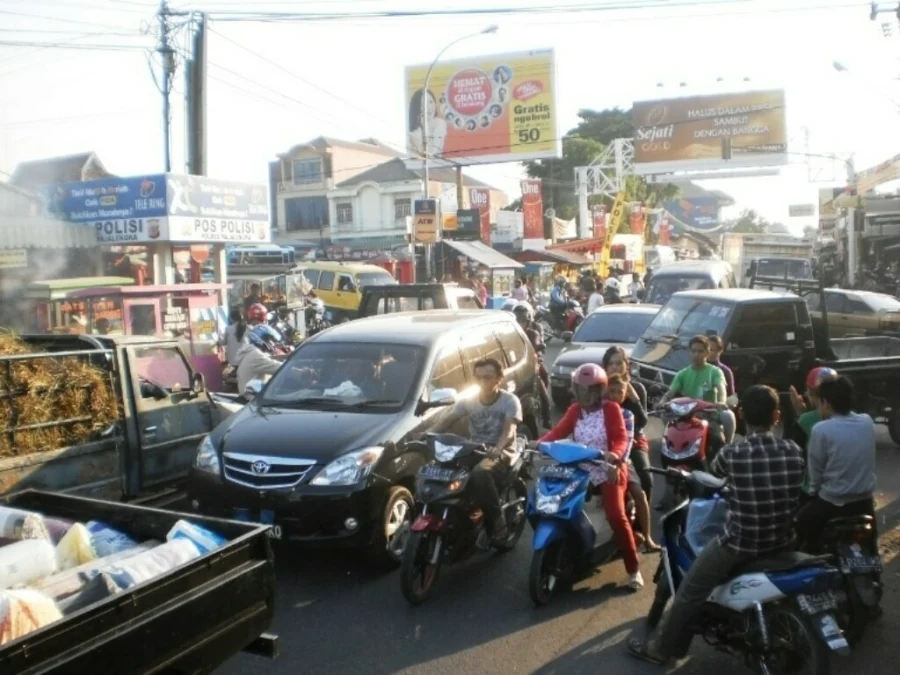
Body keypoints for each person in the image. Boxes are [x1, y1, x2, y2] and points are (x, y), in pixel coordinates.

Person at [628, 385, 805, 665]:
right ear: (776, 416)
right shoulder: (793, 450)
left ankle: (660, 650)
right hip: (784, 539)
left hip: (740, 543)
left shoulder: (733, 454)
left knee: (689, 591)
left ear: (743, 414)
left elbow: (714, 480)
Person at [540, 364, 643, 590]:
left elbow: (620, 438)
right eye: (581, 389)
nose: (585, 395)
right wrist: (538, 443)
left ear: (601, 390)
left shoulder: (611, 409)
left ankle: (633, 569)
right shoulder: (575, 409)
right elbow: (558, 432)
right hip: (580, 467)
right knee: (556, 504)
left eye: (591, 390)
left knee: (616, 515)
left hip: (608, 468)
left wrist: (615, 458)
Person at [434, 357, 523, 544]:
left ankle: (497, 518)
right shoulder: (469, 400)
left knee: (480, 473)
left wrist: (498, 448)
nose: (483, 382)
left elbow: (509, 430)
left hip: (502, 451)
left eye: (488, 377)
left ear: (499, 379)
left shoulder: (509, 401)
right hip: (474, 448)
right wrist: (427, 435)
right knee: (442, 470)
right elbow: (448, 420)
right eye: (479, 378)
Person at [794, 375, 877, 553]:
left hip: (832, 503)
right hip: (864, 501)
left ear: (826, 403)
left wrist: (812, 492)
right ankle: (875, 577)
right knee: (870, 544)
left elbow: (815, 472)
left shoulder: (821, 429)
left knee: (799, 528)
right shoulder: (867, 422)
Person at [605, 374, 660, 552]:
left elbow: (627, 444)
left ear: (625, 394)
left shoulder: (627, 414)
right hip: (598, 458)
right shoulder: (597, 410)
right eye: (610, 391)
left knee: (639, 492)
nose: (614, 395)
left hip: (621, 460)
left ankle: (647, 537)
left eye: (618, 392)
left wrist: (617, 460)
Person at [660, 335, 736, 446]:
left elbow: (721, 389)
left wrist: (721, 402)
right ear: (689, 352)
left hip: (710, 414)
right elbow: (670, 392)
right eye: (693, 351)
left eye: (700, 351)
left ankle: (728, 447)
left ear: (707, 352)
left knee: (728, 416)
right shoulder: (682, 373)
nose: (696, 354)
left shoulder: (715, 371)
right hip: (686, 415)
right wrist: (663, 402)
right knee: (664, 415)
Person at [788, 366, 839, 500]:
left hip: (816, 493)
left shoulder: (806, 420)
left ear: (812, 394)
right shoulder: (858, 420)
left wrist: (800, 415)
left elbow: (793, 457)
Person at [513, 302, 552, 429]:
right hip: (515, 368)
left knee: (543, 384)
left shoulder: (533, 333)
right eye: (517, 320)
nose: (519, 323)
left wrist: (538, 350)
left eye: (522, 320)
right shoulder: (509, 334)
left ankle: (547, 419)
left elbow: (537, 345)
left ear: (528, 321)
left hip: (532, 366)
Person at [235, 325, 284, 396]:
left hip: (252, 394)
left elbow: (271, 359)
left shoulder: (251, 352)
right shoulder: (256, 355)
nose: (272, 343)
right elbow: (279, 368)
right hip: (253, 398)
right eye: (269, 339)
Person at [707, 335, 736, 402]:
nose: (711, 353)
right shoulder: (697, 368)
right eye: (709, 350)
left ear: (720, 351)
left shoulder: (726, 371)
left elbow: (731, 397)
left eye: (714, 350)